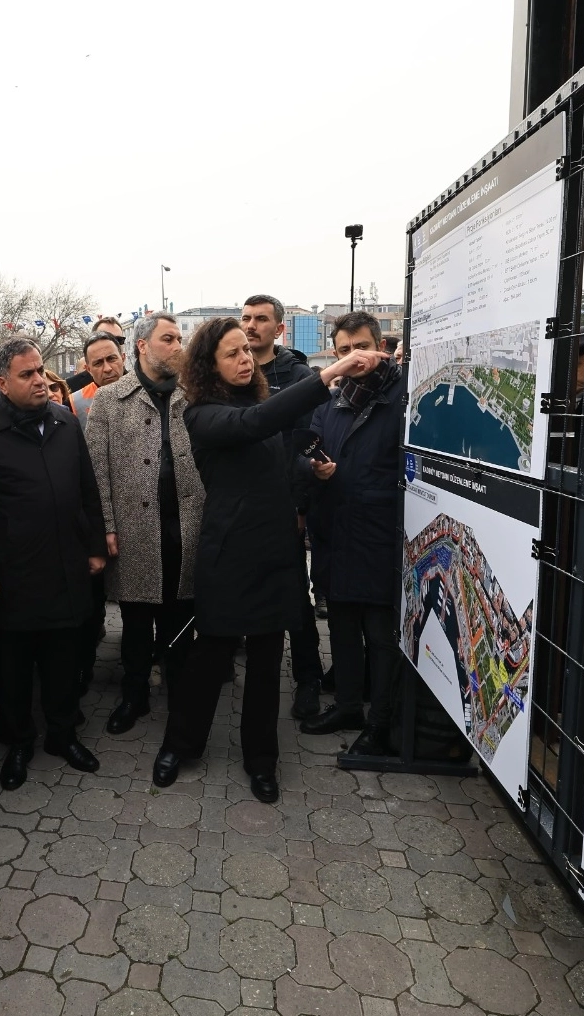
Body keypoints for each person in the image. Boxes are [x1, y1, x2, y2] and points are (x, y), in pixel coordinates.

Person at [156, 317, 387, 802]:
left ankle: (261, 761)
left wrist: (310, 467)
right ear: (209, 365)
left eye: (246, 350)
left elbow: (275, 458)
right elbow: (254, 426)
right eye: (232, 353)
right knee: (210, 656)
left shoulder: (257, 404)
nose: (245, 359)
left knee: (266, 662)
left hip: (274, 552)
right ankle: (180, 744)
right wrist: (329, 373)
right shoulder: (201, 413)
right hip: (228, 555)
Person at [0, 338, 107, 790]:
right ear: (2, 383)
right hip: (12, 577)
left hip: (65, 568)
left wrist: (94, 547)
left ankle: (62, 734)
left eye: (41, 370)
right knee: (14, 668)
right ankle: (19, 740)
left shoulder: (64, 421)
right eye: (28, 374)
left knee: (63, 661)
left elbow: (88, 491)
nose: (40, 380)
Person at [84, 310, 203, 734]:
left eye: (179, 339)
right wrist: (107, 526)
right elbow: (96, 472)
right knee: (135, 622)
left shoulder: (195, 394)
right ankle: (133, 696)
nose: (177, 346)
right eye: (169, 339)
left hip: (187, 526)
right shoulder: (109, 400)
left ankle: (182, 696)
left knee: (181, 615)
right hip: (134, 530)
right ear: (141, 346)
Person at [298, 313, 407, 755]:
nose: (354, 357)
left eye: (361, 346)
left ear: (380, 344)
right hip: (335, 532)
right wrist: (313, 466)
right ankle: (347, 706)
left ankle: (379, 723)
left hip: (380, 535)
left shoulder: (404, 396)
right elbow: (307, 445)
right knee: (341, 627)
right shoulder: (331, 401)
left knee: (379, 636)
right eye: (344, 350)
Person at [241, 294, 327, 719]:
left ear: (278, 329)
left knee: (294, 596)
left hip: (281, 505)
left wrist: (298, 506)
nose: (251, 325)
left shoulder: (297, 377)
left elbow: (305, 447)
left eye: (261, 319)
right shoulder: (231, 372)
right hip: (237, 505)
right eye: (245, 318)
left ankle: (308, 677)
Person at [69, 330, 125, 416]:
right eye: (98, 363)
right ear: (88, 369)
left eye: (111, 359)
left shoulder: (144, 390)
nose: (107, 369)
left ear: (123, 358)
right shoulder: (73, 403)